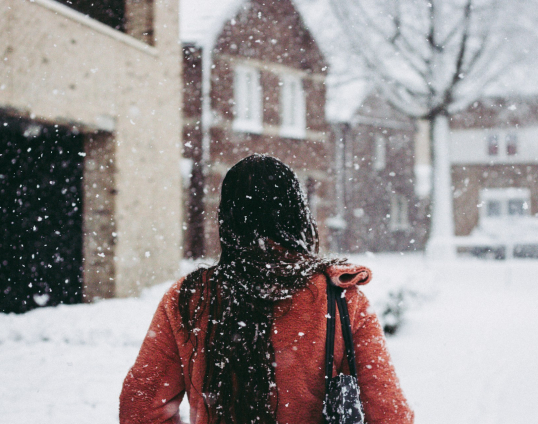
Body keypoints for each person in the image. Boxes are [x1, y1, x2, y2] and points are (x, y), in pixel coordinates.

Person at [119, 154, 414, 424]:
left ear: (227, 218)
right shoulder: (340, 299)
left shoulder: (190, 297)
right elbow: (391, 415)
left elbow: (141, 408)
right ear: (298, 213)